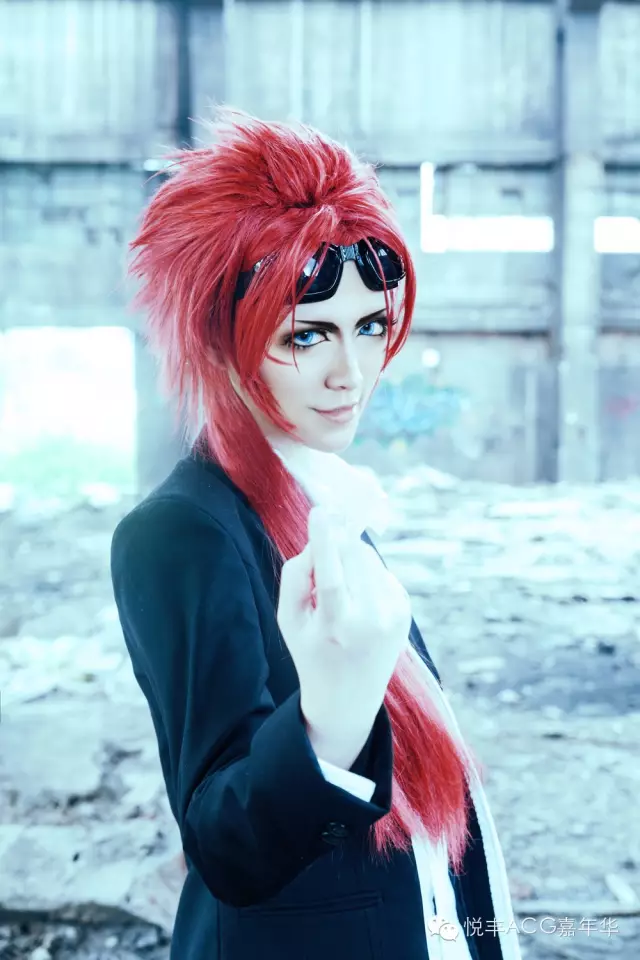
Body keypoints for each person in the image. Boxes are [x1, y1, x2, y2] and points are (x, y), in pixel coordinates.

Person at [110, 108, 522, 960]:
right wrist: (328, 722)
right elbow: (224, 843)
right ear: (221, 340)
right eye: (308, 335)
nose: (352, 372)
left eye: (370, 326)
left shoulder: (321, 496)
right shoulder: (180, 533)